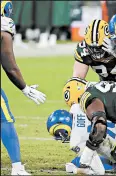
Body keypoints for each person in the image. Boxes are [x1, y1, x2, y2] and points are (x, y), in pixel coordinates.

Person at [1, 1, 46, 175]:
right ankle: (17, 167)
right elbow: (10, 66)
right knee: (4, 119)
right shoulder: (4, 26)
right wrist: (25, 88)